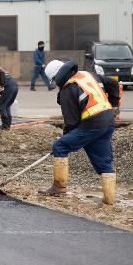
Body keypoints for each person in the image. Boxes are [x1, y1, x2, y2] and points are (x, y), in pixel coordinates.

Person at [39, 59, 122, 206]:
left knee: (59, 146)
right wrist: (115, 106)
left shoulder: (67, 89)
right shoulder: (87, 75)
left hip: (92, 124)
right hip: (108, 121)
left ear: (57, 76)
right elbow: (114, 84)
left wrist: (65, 143)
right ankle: (109, 201)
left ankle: (59, 187)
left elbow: (71, 123)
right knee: (104, 163)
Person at [0, 66, 18, 130]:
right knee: (7, 106)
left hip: (8, 87)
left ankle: (5, 126)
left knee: (2, 106)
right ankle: (8, 125)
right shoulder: (1, 72)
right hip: (15, 86)